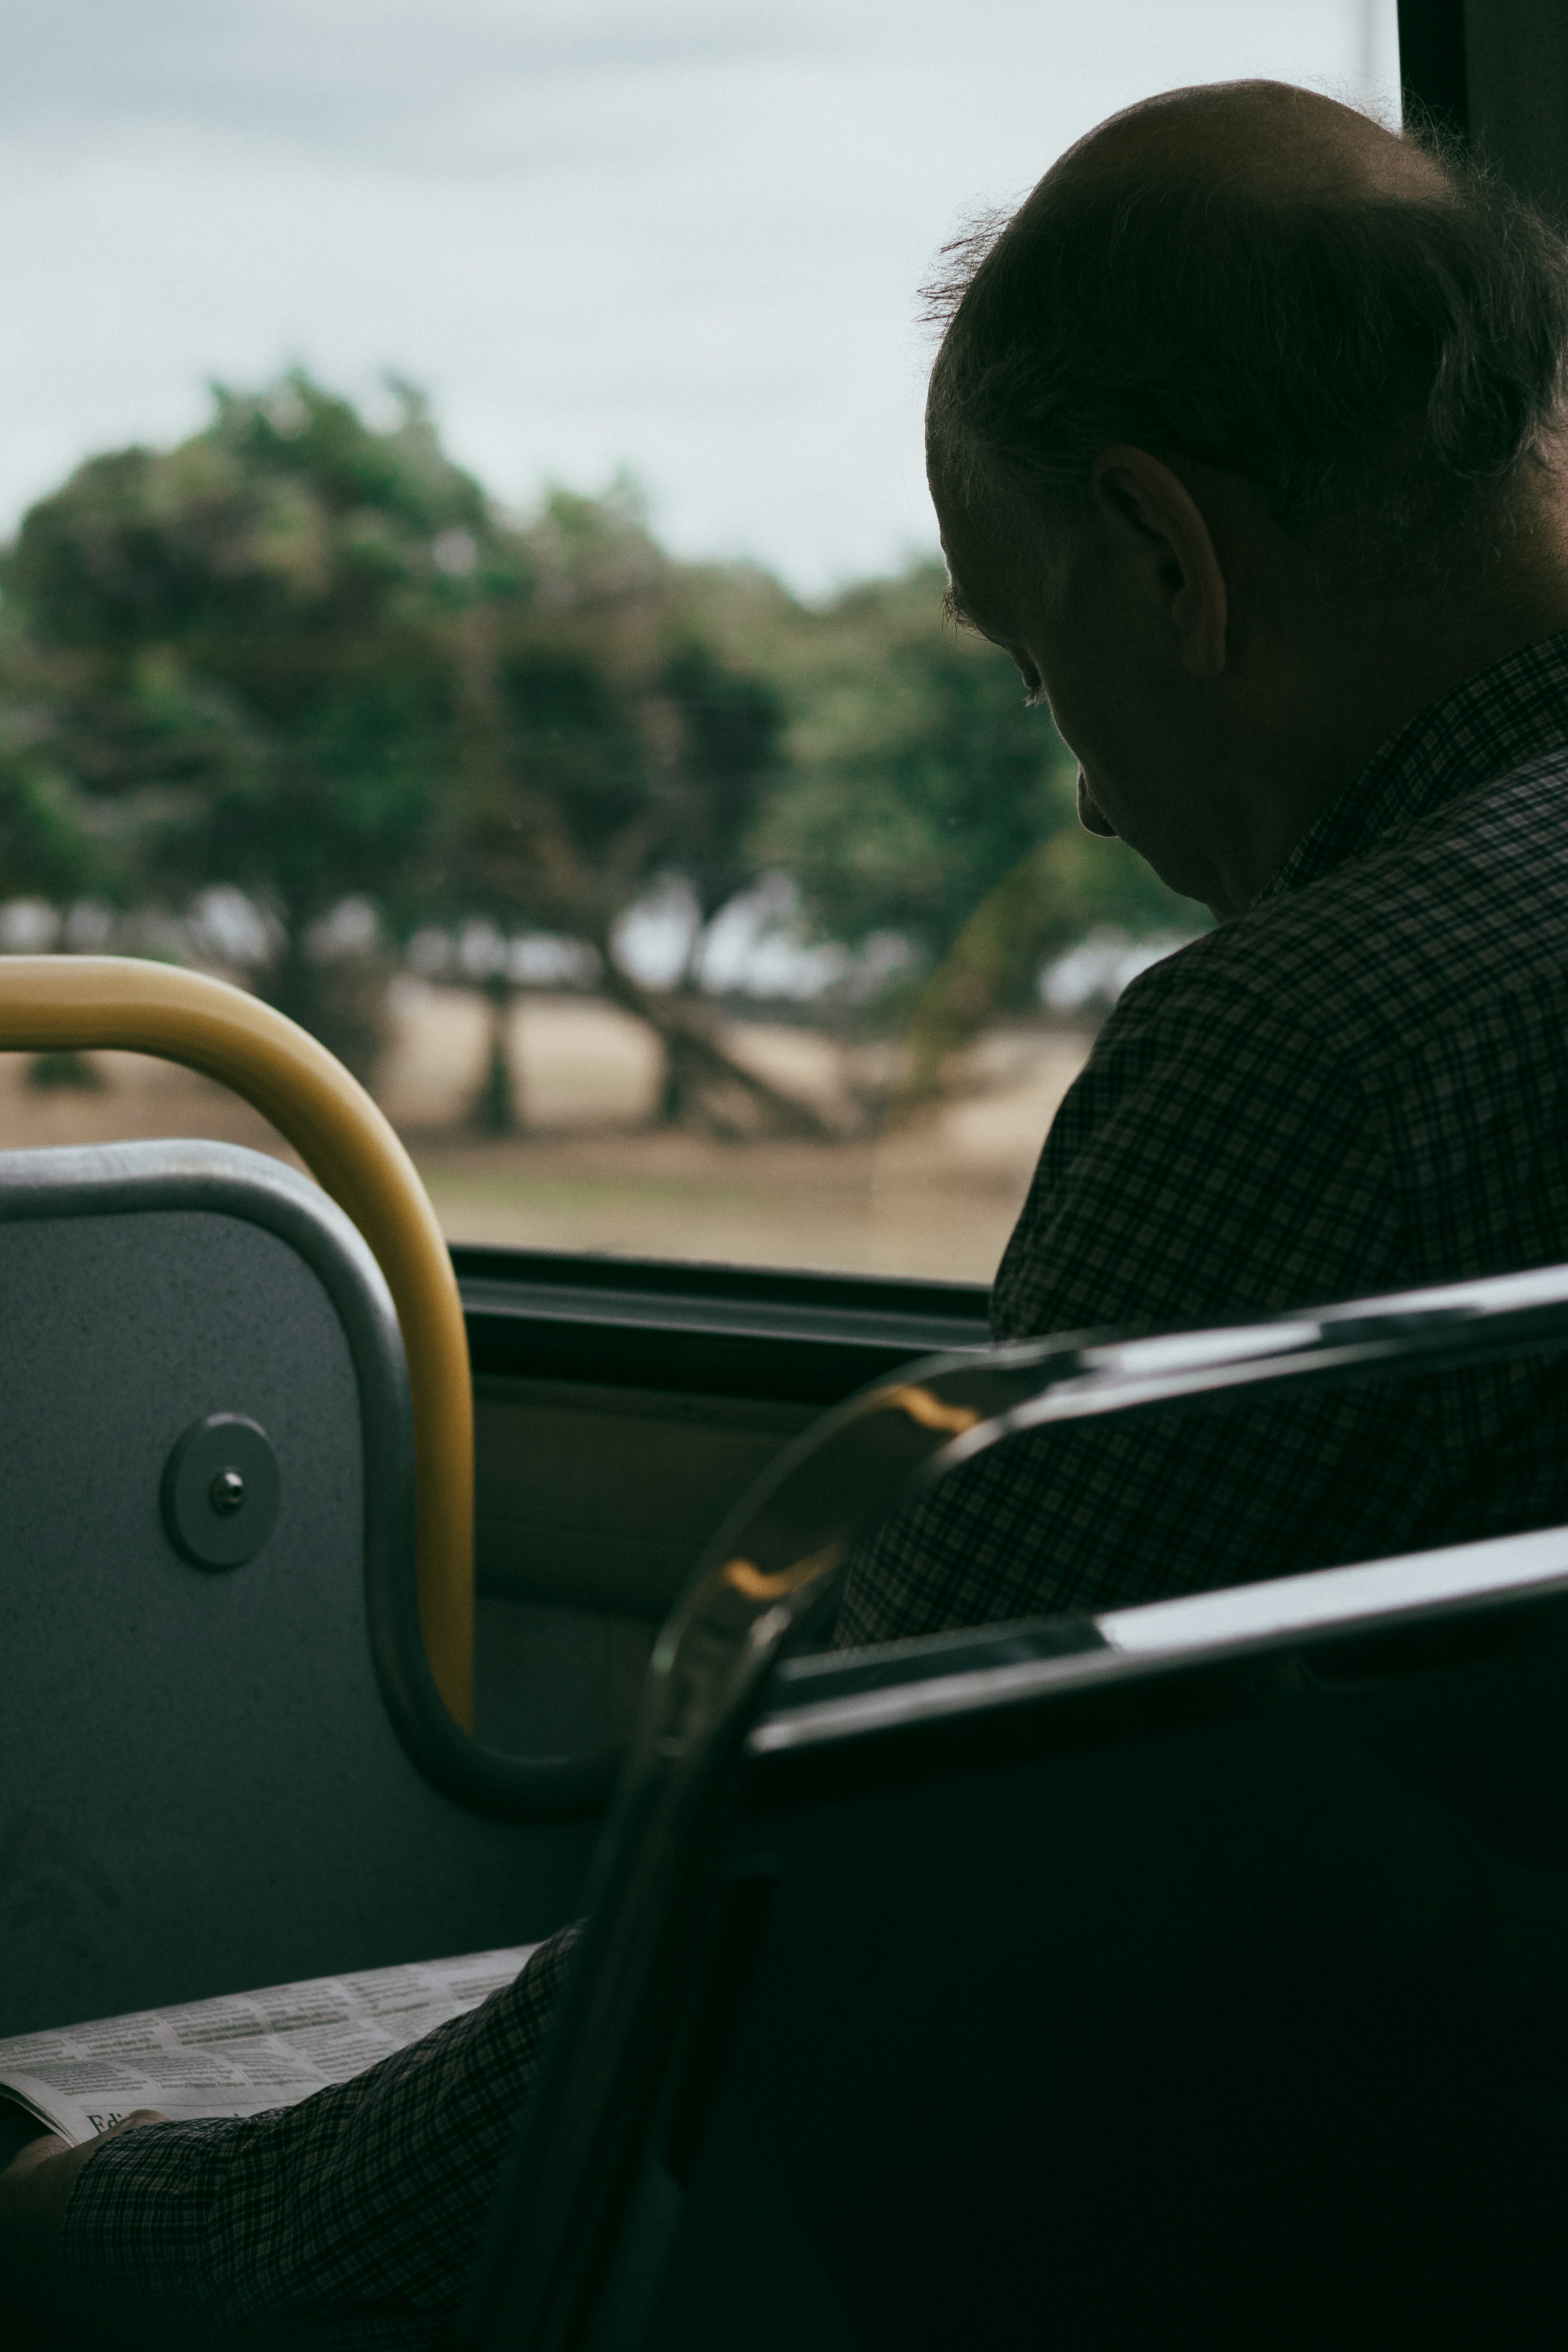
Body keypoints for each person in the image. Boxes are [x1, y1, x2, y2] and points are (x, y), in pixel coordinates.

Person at [12, 72, 1568, 2346]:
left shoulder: (1324, 1036)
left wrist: (150, 2238)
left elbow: (822, 1915)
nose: (1089, 789)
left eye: (1046, 666)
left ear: (1166, 553)